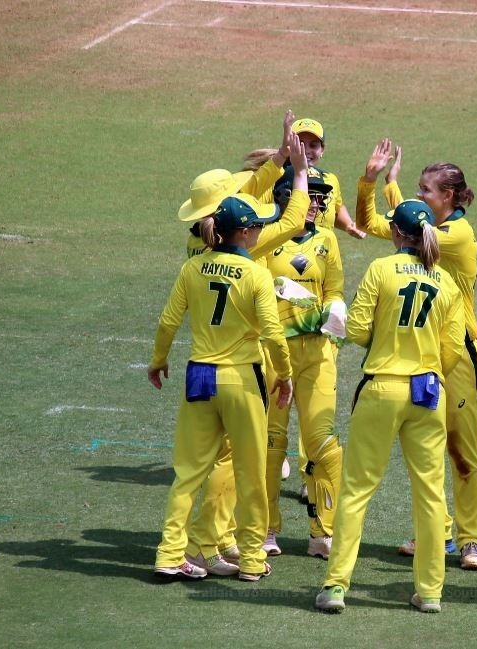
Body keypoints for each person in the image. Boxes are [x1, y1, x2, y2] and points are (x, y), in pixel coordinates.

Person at [315, 198, 465, 614]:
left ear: (397, 234)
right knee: (431, 496)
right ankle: (431, 592)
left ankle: (336, 585)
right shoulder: (447, 282)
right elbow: (452, 353)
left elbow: (358, 330)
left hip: (382, 388)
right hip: (429, 392)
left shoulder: (382, 269)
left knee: (357, 490)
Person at [170, 131, 311, 573]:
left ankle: (219, 538)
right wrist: (300, 173)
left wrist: (279, 161)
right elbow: (289, 223)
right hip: (245, 364)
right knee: (236, 460)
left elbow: (243, 200)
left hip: (203, 365)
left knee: (207, 462)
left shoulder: (201, 240)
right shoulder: (247, 245)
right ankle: (207, 543)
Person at [149, 192, 295, 582]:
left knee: (188, 474)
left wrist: (159, 360)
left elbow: (167, 321)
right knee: (250, 473)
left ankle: (169, 553)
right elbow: (273, 335)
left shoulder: (193, 268)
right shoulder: (256, 275)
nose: (260, 231)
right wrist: (284, 374)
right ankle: (250, 560)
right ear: (244, 233)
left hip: (199, 374)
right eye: (257, 227)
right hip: (241, 379)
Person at [357, 139, 477, 570]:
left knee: (461, 451)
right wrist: (371, 182)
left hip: (457, 356)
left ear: (447, 197)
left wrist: (392, 194)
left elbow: (405, 230)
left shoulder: (458, 234)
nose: (419, 197)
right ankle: (440, 533)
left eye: (425, 191)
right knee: (427, 450)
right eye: (416, 189)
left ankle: (472, 540)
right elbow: (377, 223)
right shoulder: (428, 226)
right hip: (423, 356)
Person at [261, 170, 345, 561]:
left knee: (322, 444)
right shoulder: (267, 240)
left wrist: (326, 313)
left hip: (318, 353)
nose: (315, 202)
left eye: (320, 197)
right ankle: (265, 528)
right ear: (285, 197)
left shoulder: (327, 240)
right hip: (276, 354)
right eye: (308, 195)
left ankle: (323, 532)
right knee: (271, 444)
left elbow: (336, 293)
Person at [243, 116, 367, 239]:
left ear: (322, 150)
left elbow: (335, 208)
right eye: (300, 143)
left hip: (320, 253)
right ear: (289, 144)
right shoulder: (276, 177)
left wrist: (349, 225)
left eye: (313, 145)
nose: (306, 150)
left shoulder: (329, 179)